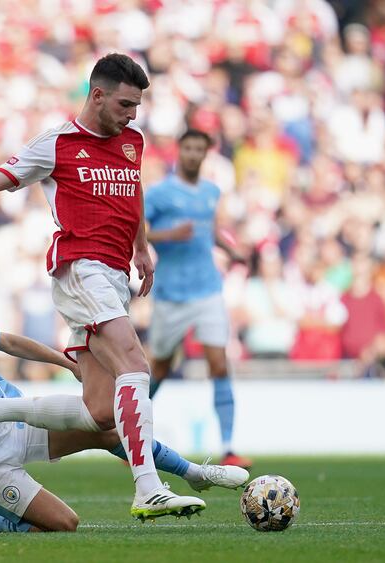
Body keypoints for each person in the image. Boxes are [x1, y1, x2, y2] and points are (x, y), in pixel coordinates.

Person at [0, 53, 201, 518]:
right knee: (135, 365)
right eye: (125, 104)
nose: (132, 115)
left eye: (137, 107)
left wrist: (141, 248)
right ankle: (148, 487)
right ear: (97, 95)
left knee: (101, 412)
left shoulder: (132, 142)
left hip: (114, 275)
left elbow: (133, 190)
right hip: (80, 269)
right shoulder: (58, 144)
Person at [0, 257, 249, 532]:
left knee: (107, 426)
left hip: (16, 423)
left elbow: (11, 343)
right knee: (62, 524)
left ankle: (195, 473)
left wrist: (64, 362)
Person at [144, 129, 252, 468]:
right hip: (171, 293)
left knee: (219, 363)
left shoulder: (211, 192)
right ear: (180, 151)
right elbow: (137, 230)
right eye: (188, 148)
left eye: (198, 150)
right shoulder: (159, 193)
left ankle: (229, 447)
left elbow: (210, 229)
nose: (192, 155)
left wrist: (230, 251)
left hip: (207, 288)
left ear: (205, 154)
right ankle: (131, 435)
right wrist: (168, 235)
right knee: (160, 365)